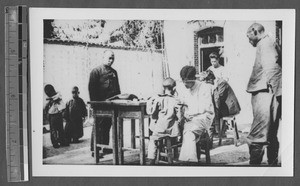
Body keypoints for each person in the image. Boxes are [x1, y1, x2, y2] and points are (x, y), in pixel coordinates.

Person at [246, 23, 282, 165]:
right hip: (270, 92)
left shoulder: (265, 43)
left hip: (265, 93)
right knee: (271, 135)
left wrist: (278, 93)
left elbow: (272, 68)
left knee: (258, 136)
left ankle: (253, 174)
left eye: (249, 36)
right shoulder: (268, 42)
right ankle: (272, 170)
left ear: (255, 31)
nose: (249, 41)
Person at [178, 66, 215, 162]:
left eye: (187, 82)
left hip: (204, 117)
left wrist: (191, 113)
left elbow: (205, 107)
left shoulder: (204, 87)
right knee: (184, 129)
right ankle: (190, 160)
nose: (185, 84)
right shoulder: (184, 89)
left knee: (188, 132)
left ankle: (190, 161)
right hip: (190, 118)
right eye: (183, 82)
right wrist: (185, 113)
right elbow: (183, 104)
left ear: (193, 79)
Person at [88, 50, 120, 157]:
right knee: (98, 126)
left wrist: (118, 102)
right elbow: (92, 90)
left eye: (112, 58)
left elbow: (117, 90)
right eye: (109, 58)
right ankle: (95, 150)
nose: (111, 60)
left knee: (107, 126)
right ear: (103, 57)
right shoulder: (96, 71)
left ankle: (105, 147)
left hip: (111, 105)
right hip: (100, 105)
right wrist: (95, 105)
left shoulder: (114, 72)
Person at [146, 78, 182, 165]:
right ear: (174, 89)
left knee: (153, 140)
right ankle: (175, 156)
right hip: (171, 131)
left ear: (163, 88)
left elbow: (151, 113)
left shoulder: (158, 99)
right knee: (178, 128)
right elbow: (180, 116)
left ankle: (151, 159)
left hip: (159, 130)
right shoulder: (176, 100)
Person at [204, 69, 241, 135]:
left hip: (231, 108)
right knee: (211, 110)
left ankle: (216, 132)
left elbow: (218, 98)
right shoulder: (218, 83)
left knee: (212, 112)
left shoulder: (221, 83)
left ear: (210, 80)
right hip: (226, 106)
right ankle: (218, 131)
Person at [44, 84, 67, 148]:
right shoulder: (50, 100)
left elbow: (58, 97)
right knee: (53, 130)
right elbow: (47, 106)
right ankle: (55, 143)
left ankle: (62, 141)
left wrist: (52, 99)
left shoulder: (57, 95)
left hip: (57, 114)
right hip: (52, 115)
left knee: (60, 129)